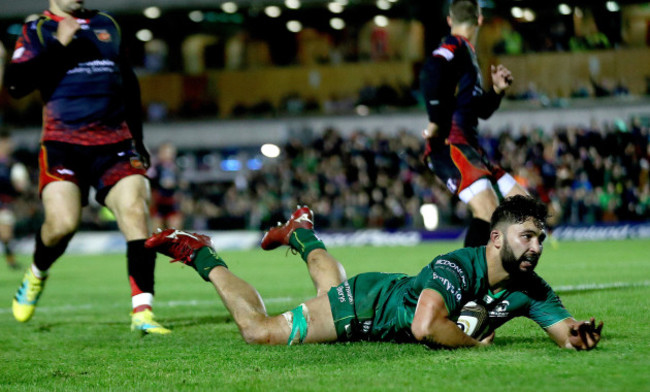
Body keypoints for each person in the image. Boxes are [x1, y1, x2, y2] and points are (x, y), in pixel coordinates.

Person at [145, 196, 603, 350]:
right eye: (526, 236)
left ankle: (302, 233)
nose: (536, 247)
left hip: (375, 296)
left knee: (328, 287)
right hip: (365, 309)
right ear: (496, 239)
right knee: (259, 331)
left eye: (540, 238)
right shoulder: (457, 266)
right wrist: (475, 345)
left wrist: (577, 334)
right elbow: (426, 327)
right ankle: (202, 254)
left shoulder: (531, 288)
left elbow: (564, 330)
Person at [3, 0, 169, 334]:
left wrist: (138, 139)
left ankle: (143, 313)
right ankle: (36, 273)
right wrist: (58, 45)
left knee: (136, 212)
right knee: (62, 225)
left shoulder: (107, 24)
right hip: (64, 146)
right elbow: (16, 85)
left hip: (115, 144)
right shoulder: (38, 30)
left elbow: (129, 83)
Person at [420, 0, 528, 247]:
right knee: (489, 213)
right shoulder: (454, 46)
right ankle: (465, 279)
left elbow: (480, 110)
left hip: (471, 150)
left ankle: (509, 276)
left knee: (526, 211)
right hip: (452, 146)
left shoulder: (467, 56)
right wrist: (436, 120)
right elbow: (432, 68)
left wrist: (497, 91)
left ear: (450, 20)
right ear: (480, 19)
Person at [0, 131, 31, 270]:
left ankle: (11, 260)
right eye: (5, 142)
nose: (8, 145)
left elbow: (21, 187)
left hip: (4, 204)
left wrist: (20, 185)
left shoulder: (13, 164)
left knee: (6, 234)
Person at [147, 142, 184, 230]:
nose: (168, 155)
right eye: (165, 152)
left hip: (172, 202)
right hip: (158, 201)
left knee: (174, 230)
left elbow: (181, 186)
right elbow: (150, 182)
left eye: (170, 153)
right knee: (157, 230)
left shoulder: (176, 168)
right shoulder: (155, 168)